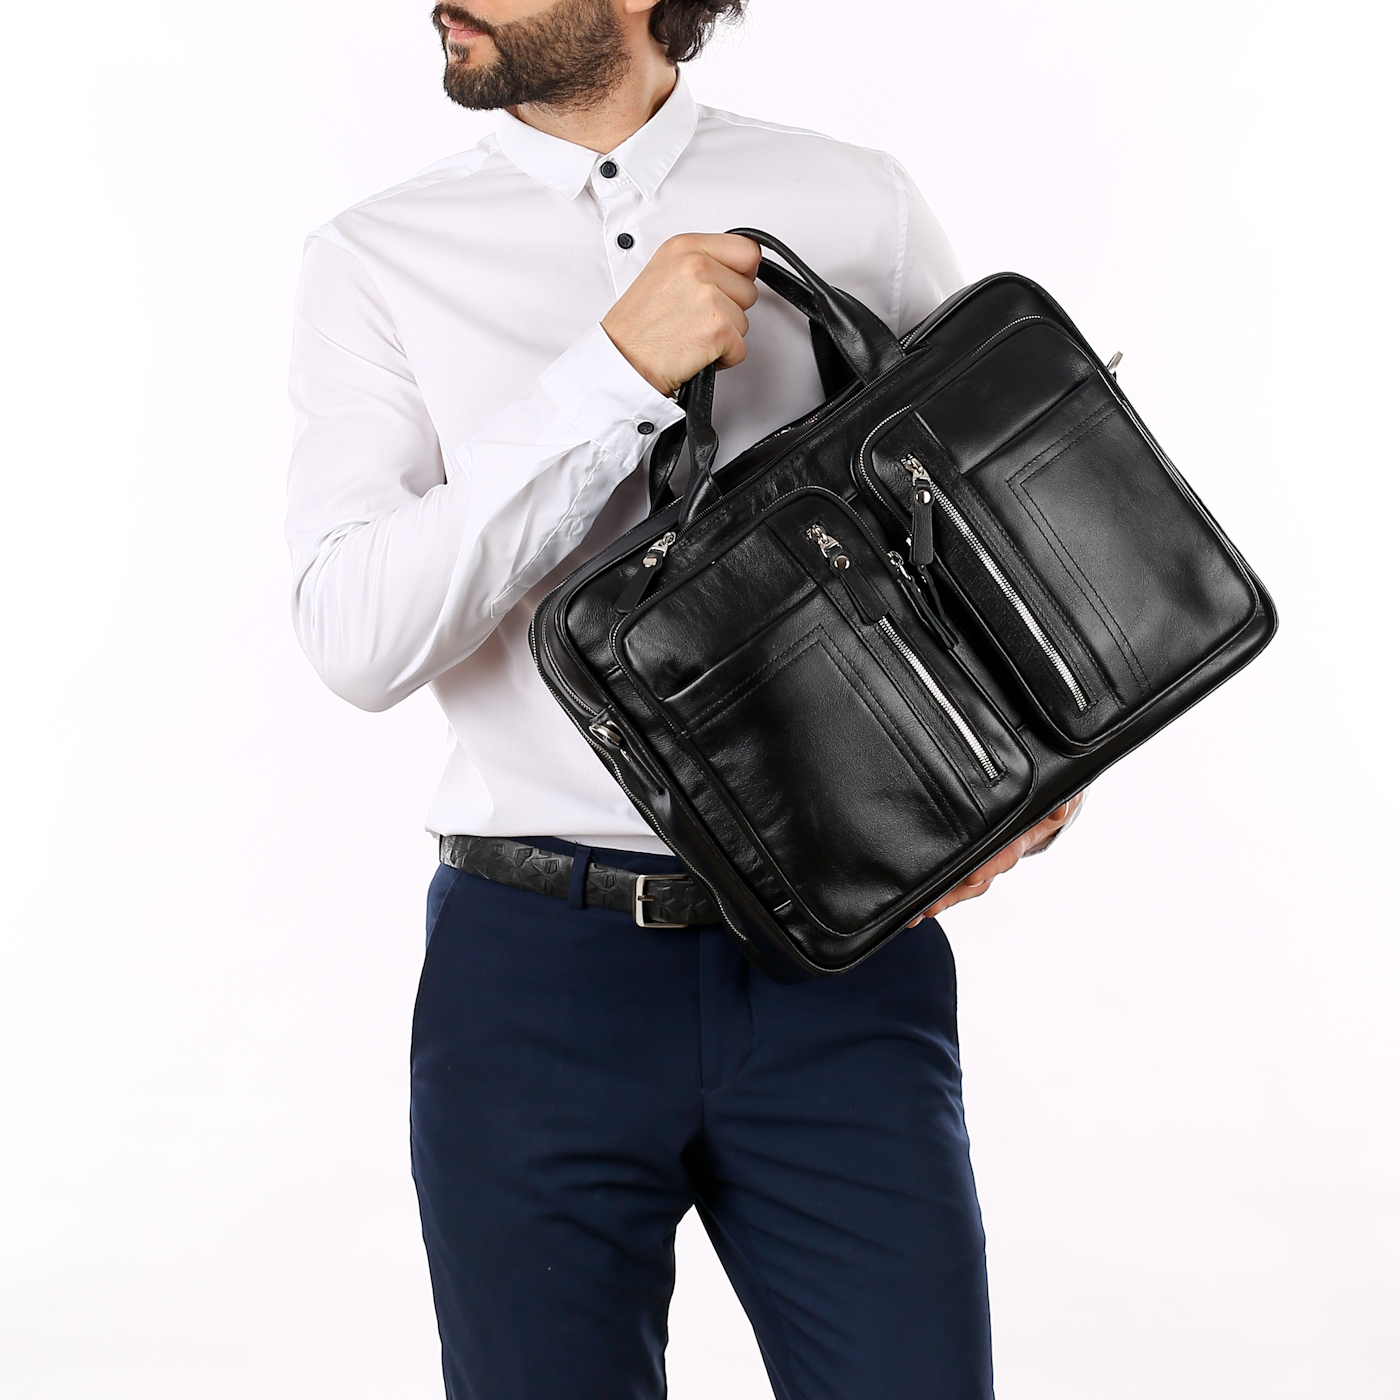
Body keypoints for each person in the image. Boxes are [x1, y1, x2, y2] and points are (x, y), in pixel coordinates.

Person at [285, 2, 1083, 1395]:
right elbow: (355, 638)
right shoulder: (376, 257)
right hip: (532, 970)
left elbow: (1003, 535)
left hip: (843, 955)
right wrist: (607, 381)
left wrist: (1047, 768)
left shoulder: (858, 206)